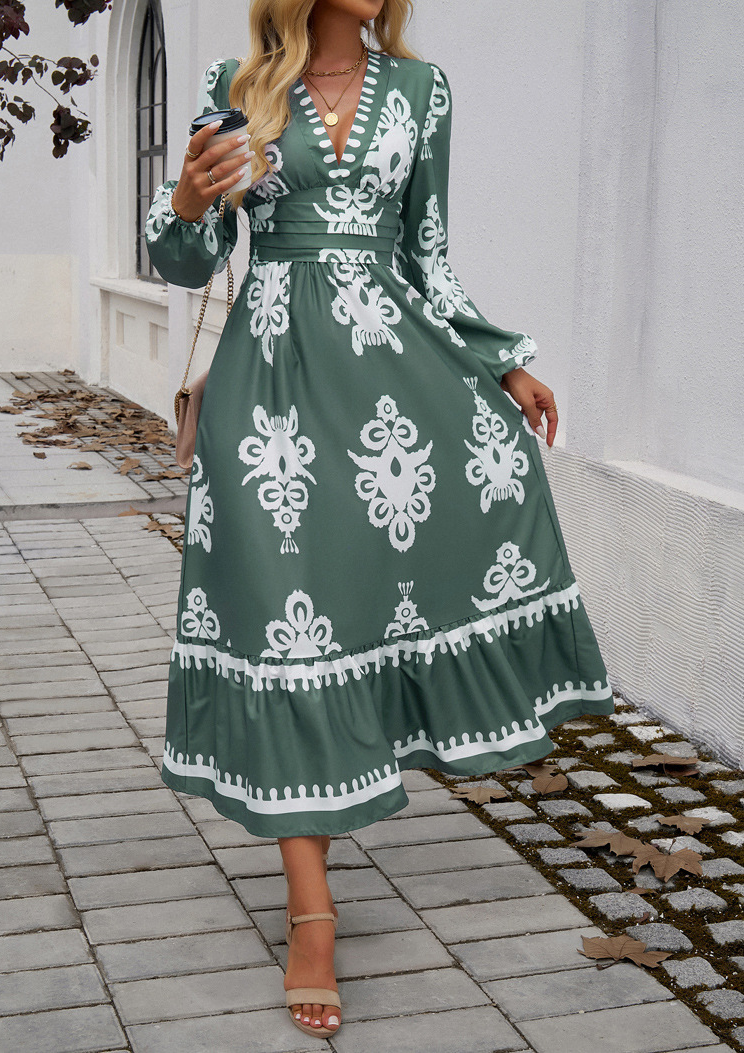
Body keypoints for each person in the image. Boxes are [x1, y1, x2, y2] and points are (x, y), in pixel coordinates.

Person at [145, 0, 614, 1038]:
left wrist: (503, 359)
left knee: (383, 589)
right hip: (270, 399)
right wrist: (185, 196)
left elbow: (427, 257)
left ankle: (337, 828)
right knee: (285, 627)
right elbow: (185, 261)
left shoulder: (423, 90)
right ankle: (310, 911)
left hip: (394, 378)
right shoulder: (236, 83)